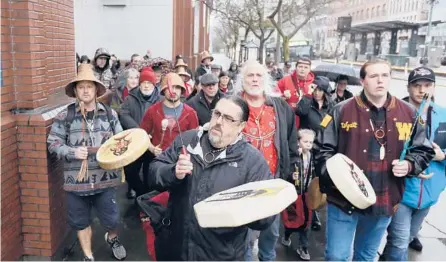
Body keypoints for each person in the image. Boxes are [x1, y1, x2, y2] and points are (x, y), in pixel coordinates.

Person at [314, 59, 435, 261]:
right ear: (363, 81)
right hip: (343, 201)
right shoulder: (341, 110)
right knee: (337, 256)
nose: (380, 80)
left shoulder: (409, 113)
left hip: (384, 200)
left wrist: (410, 164)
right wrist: (338, 180)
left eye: (385, 75)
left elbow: (423, 150)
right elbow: (322, 151)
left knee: (366, 256)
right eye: (373, 76)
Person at [148, 96, 276, 260]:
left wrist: (242, 209)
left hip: (221, 254)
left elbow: (265, 217)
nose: (219, 122)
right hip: (177, 248)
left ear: (241, 126)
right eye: (217, 114)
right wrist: (173, 172)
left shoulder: (252, 161)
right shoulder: (187, 140)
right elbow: (153, 171)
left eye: (229, 119)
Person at [47, 64, 126, 261]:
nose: (85, 90)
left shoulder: (109, 114)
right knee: (80, 222)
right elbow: (53, 143)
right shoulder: (65, 116)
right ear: (75, 91)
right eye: (80, 87)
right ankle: (88, 256)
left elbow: (121, 141)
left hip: (105, 178)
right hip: (76, 182)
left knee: (112, 219)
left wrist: (112, 153)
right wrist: (72, 151)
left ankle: (112, 238)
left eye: (88, 86)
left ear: (96, 89)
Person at [234, 60, 298, 261]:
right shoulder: (233, 105)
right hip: (240, 183)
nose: (254, 79)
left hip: (273, 181)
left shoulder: (280, 107)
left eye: (259, 75)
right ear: (242, 80)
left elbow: (291, 140)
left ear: (266, 79)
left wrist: (293, 167)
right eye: (250, 75)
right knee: (243, 236)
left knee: (271, 234)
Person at [381, 67, 446, 261]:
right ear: (408, 87)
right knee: (400, 240)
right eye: (417, 85)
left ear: (434, 87)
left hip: (430, 192)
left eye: (427, 85)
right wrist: (411, 166)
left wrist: (441, 157)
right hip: (401, 190)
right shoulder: (394, 112)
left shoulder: (443, 116)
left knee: (406, 237)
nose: (422, 90)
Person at [119, 67, 160, 198]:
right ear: (140, 83)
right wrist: (140, 132)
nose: (146, 86)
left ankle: (146, 201)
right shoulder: (130, 98)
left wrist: (152, 132)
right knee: (130, 171)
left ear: (154, 84)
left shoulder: (161, 99)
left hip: (153, 143)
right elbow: (124, 114)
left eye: (149, 83)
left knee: (150, 173)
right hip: (135, 142)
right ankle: (141, 193)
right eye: (143, 83)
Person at [281, 129, 317, 261]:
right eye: (305, 141)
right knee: (293, 219)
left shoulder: (311, 155)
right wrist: (291, 175)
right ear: (298, 141)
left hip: (307, 193)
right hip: (295, 194)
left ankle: (303, 247)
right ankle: (286, 235)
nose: (308, 144)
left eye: (311, 142)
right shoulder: (294, 157)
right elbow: (285, 172)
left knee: (306, 221)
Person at [277, 57, 315, 129]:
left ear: (310, 69)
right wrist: (282, 96)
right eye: (300, 66)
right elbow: (273, 98)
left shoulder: (314, 83)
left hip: (307, 122)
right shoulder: (285, 80)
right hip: (287, 120)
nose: (302, 69)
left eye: (306, 67)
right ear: (296, 67)